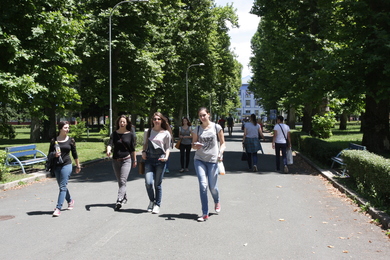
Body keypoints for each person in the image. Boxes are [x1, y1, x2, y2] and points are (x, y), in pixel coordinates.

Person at [192, 107, 226, 222]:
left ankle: (216, 201)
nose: (202, 118)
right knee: (203, 185)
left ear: (208, 115)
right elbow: (193, 145)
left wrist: (220, 153)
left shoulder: (216, 127)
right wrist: (195, 145)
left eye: (204, 115)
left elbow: (223, 143)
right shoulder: (197, 129)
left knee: (213, 187)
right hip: (199, 159)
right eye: (200, 116)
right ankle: (205, 213)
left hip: (212, 160)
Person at [49, 121, 81, 217]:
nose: (67, 129)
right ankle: (70, 200)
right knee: (62, 186)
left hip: (67, 165)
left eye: (68, 128)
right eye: (65, 128)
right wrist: (54, 154)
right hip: (56, 165)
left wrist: (78, 165)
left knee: (63, 187)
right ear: (60, 128)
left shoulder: (71, 140)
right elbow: (49, 154)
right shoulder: (54, 140)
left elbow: (74, 154)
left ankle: (58, 208)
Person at [141, 112, 172, 214]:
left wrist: (166, 157)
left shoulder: (166, 133)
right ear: (152, 121)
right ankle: (151, 201)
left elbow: (167, 148)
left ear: (162, 120)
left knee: (157, 184)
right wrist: (143, 152)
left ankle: (157, 204)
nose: (157, 121)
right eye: (155, 119)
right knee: (148, 183)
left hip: (160, 160)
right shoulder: (148, 131)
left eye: (159, 119)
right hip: (149, 160)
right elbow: (145, 144)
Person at [106, 115, 137, 211]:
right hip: (116, 160)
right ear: (118, 123)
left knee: (123, 180)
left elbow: (132, 149)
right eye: (120, 122)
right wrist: (108, 150)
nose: (122, 123)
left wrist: (134, 160)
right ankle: (124, 196)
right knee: (120, 181)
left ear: (127, 123)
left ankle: (119, 199)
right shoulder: (114, 134)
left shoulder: (130, 134)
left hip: (126, 159)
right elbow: (110, 144)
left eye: (124, 122)